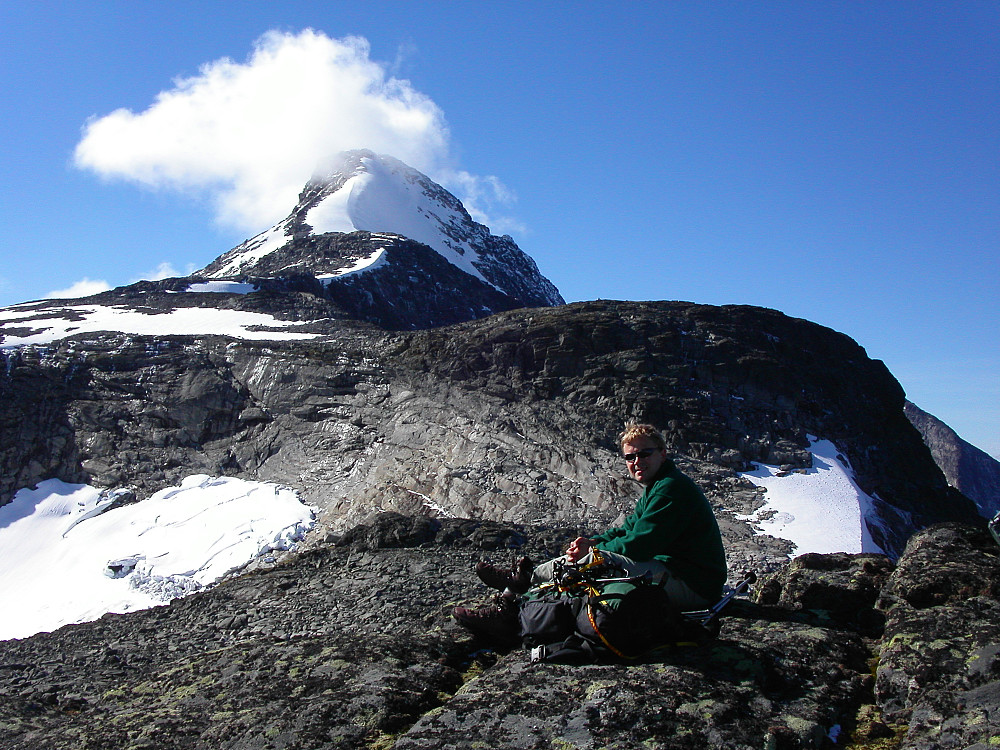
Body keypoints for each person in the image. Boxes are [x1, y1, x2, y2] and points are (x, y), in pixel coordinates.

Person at [453, 423, 728, 643]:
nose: (636, 461)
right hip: (677, 573)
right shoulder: (658, 487)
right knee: (592, 560)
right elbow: (628, 529)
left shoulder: (671, 488)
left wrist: (594, 552)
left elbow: (641, 545)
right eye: (630, 457)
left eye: (644, 454)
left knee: (596, 564)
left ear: (662, 453)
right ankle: (518, 591)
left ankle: (519, 592)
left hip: (694, 585)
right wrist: (595, 542)